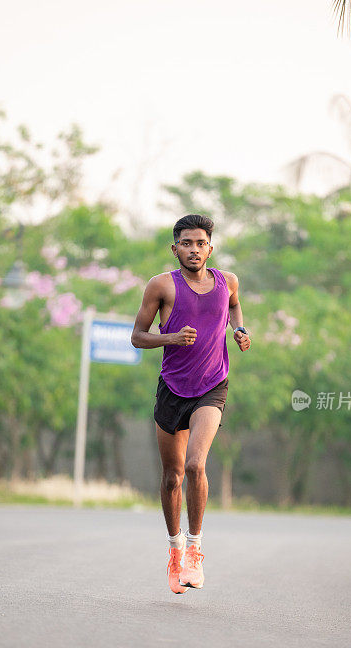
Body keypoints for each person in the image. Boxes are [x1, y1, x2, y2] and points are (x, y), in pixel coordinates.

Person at [131, 214, 251, 594]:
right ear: (175, 248)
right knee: (172, 477)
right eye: (187, 243)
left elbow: (233, 306)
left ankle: (196, 550)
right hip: (172, 387)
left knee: (196, 464)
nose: (194, 249)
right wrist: (170, 338)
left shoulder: (227, 281)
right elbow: (137, 336)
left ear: (210, 248)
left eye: (201, 243)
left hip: (212, 386)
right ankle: (175, 551)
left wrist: (239, 330)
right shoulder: (161, 286)